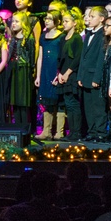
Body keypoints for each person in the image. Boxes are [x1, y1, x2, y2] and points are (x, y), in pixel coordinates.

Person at [77, 6, 107, 142]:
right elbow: (83, 57)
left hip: (95, 76)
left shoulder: (102, 35)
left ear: (101, 19)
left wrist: (97, 78)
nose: (88, 18)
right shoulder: (88, 34)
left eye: (92, 16)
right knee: (88, 106)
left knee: (98, 106)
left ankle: (100, 132)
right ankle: (92, 131)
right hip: (85, 76)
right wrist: (80, 76)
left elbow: (101, 58)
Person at [54, 7, 84, 141]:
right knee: (68, 104)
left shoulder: (77, 38)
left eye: (66, 21)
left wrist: (67, 73)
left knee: (73, 103)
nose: (63, 23)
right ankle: (71, 132)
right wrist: (59, 74)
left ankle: (76, 132)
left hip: (72, 74)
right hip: (63, 74)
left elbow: (77, 58)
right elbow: (60, 59)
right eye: (63, 21)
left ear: (74, 23)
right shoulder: (63, 38)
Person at [35, 9, 63, 140]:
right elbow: (40, 57)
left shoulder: (61, 37)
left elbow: (62, 58)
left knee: (56, 100)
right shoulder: (43, 36)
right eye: (46, 18)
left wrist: (58, 74)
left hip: (55, 71)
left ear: (57, 22)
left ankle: (59, 131)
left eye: (50, 19)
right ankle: (46, 131)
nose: (46, 21)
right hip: (45, 71)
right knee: (46, 101)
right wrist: (38, 76)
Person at [7, 12, 36, 127]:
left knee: (23, 101)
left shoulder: (29, 39)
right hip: (13, 70)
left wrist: (32, 72)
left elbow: (32, 57)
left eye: (17, 21)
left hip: (23, 71)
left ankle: (24, 126)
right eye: (12, 21)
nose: (13, 24)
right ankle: (16, 125)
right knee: (15, 101)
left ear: (23, 23)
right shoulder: (13, 38)